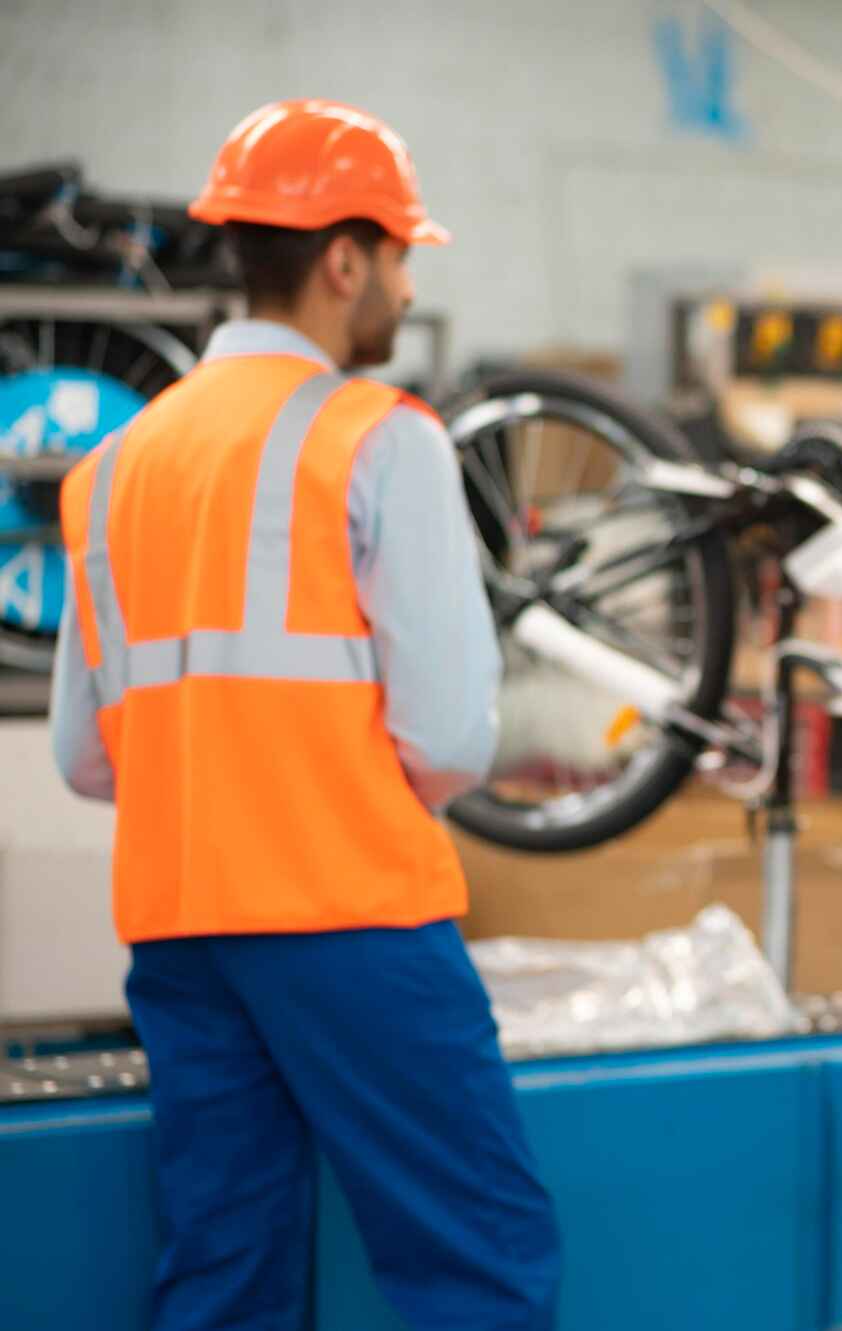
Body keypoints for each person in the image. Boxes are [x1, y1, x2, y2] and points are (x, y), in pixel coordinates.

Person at [49, 99, 561, 1329]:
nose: (396, 283)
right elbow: (447, 739)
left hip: (179, 928)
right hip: (353, 914)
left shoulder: (112, 467)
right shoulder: (378, 440)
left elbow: (82, 752)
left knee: (225, 1270)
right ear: (344, 258)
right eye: (396, 257)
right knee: (477, 1261)